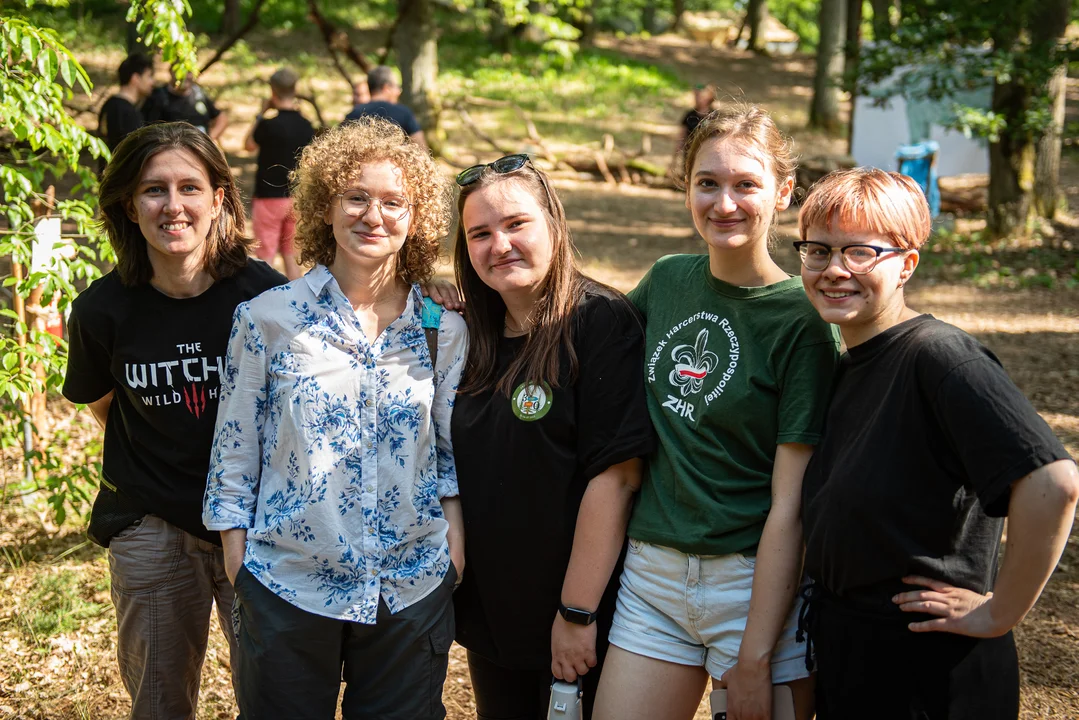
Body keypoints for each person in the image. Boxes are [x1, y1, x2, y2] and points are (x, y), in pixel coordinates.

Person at [203, 116, 467, 720]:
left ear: (415, 217)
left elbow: (449, 453)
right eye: (356, 197)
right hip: (288, 584)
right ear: (325, 206)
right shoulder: (268, 319)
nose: (373, 216)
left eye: (393, 202)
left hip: (410, 586)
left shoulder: (442, 330)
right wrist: (238, 562)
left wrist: (455, 552)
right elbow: (234, 450)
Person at [794, 168, 1079, 719]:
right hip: (852, 657)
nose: (834, 270)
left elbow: (1053, 481)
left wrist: (1001, 612)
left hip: (929, 672)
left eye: (860, 252)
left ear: (907, 264)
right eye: (818, 250)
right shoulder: (846, 362)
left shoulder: (941, 357)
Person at [593, 104, 839, 720]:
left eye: (745, 185)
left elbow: (791, 506)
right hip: (652, 577)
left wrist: (756, 654)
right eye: (707, 183)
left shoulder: (804, 324)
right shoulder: (667, 279)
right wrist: (470, 298)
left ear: (783, 193)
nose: (723, 204)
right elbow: (582, 334)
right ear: (686, 187)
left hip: (754, 584)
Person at [61, 122, 286, 719]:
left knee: (278, 699)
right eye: (153, 190)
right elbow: (104, 403)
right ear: (129, 208)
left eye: (190, 187)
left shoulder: (265, 297)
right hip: (152, 525)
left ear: (219, 199)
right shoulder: (100, 310)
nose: (173, 205)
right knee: (160, 704)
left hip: (261, 524)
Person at [450, 154, 655, 719]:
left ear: (554, 225)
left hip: (576, 621)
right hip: (494, 618)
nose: (500, 245)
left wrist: (577, 614)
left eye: (516, 224)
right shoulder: (470, 336)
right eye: (480, 234)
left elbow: (616, 480)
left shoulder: (599, 322)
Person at [243, 67, 315, 280]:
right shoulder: (305, 125)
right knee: (291, 255)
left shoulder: (268, 125)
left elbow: (247, 145)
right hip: (296, 198)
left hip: (268, 198)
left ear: (272, 92)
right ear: (295, 90)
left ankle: (262, 297)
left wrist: (260, 113)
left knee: (265, 254)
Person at [344, 66, 426, 148]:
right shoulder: (404, 113)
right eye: (397, 87)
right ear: (387, 88)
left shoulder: (354, 114)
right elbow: (422, 149)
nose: (398, 92)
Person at [97, 53, 155, 164]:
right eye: (149, 76)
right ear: (135, 79)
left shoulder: (111, 104)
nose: (152, 82)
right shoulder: (125, 111)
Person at [145, 66, 229, 141]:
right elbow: (148, 130)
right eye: (180, 71)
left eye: (188, 71)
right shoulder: (158, 96)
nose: (184, 76)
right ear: (171, 71)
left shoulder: (198, 93)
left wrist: (209, 139)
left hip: (200, 149)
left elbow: (221, 118)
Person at [668, 84, 716, 177]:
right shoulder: (689, 115)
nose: (697, 98)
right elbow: (681, 138)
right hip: (690, 155)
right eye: (696, 96)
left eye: (700, 96)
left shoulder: (715, 116)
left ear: (709, 97)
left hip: (710, 155)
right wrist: (674, 160)